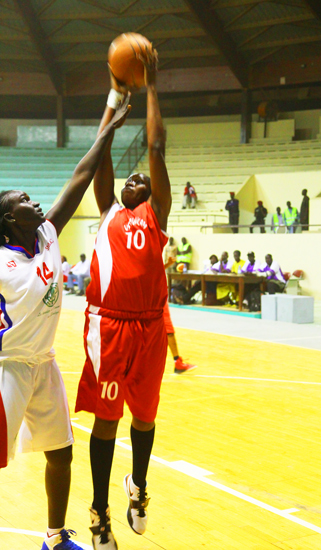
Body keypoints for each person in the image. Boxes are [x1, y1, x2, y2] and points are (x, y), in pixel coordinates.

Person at [0, 100, 129, 550]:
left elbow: (79, 177)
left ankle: (54, 538)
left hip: (44, 364)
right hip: (8, 367)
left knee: (61, 451)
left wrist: (107, 130)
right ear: (7, 221)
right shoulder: (1, 261)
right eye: (22, 202)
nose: (34, 203)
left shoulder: (48, 234)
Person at [74, 48, 172, 549]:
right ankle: (99, 511)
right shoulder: (109, 208)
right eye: (129, 179)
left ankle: (139, 487)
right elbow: (102, 153)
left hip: (150, 326)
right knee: (107, 420)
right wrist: (113, 104)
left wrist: (151, 86)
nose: (136, 178)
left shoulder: (156, 214)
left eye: (142, 179)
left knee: (147, 417)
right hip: (109, 325)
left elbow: (155, 147)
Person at [164, 258, 197, 373]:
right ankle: (177, 362)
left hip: (153, 297)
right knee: (168, 331)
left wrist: (168, 264)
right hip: (155, 299)